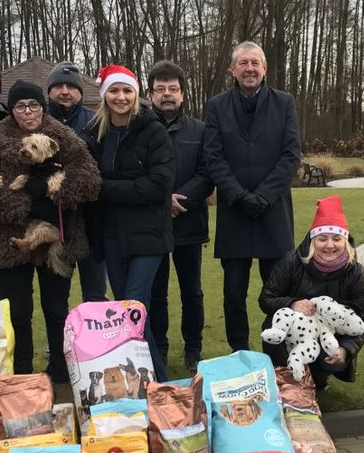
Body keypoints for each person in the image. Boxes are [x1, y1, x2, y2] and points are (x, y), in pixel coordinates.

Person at [0, 80, 100, 382]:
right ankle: (21, 376)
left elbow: (89, 178)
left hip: (57, 235)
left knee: (57, 311)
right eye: (20, 106)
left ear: (43, 107)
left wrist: (51, 194)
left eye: (34, 105)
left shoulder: (63, 135)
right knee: (15, 313)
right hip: (6, 241)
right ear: (11, 109)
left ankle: (61, 372)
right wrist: (28, 206)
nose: (28, 111)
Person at [204, 41, 301, 352]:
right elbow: (213, 157)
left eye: (255, 63)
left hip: (273, 212)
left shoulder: (284, 103)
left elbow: (291, 155)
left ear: (264, 68)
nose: (249, 68)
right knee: (234, 293)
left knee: (277, 291)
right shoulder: (217, 106)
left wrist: (264, 195)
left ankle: (276, 353)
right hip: (235, 213)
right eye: (243, 63)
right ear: (232, 69)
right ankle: (240, 353)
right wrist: (238, 195)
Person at [82, 65, 174, 380]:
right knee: (125, 311)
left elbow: (158, 185)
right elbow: (84, 180)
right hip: (111, 233)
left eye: (126, 91)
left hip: (148, 234)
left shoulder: (154, 131)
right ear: (104, 95)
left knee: (135, 307)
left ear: (135, 95)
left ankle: (161, 382)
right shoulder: (93, 134)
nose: (120, 97)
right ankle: (140, 380)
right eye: (114, 91)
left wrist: (105, 189)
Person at [259, 196, 364, 391]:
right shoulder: (291, 262)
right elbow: (266, 298)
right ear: (313, 240)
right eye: (322, 239)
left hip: (329, 335)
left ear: (345, 241)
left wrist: (346, 349)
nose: (329, 245)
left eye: (336, 239)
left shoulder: (356, 272)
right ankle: (285, 378)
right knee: (272, 326)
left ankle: (318, 379)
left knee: (333, 360)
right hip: (294, 329)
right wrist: (292, 303)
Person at [147, 61, 212, 374]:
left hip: (189, 221)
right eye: (160, 89)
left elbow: (207, 171)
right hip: (152, 225)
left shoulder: (200, 130)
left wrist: (180, 199)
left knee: (192, 292)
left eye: (173, 89)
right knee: (156, 293)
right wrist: (163, 200)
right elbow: (137, 172)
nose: (167, 94)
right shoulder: (140, 128)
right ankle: (159, 347)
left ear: (183, 94)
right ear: (150, 94)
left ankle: (193, 348)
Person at [47, 60, 108, 302]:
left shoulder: (97, 122)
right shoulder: (40, 122)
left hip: (92, 220)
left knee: (95, 294)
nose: (65, 91)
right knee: (55, 297)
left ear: (80, 91)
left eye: (71, 86)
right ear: (49, 90)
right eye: (58, 86)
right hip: (55, 220)